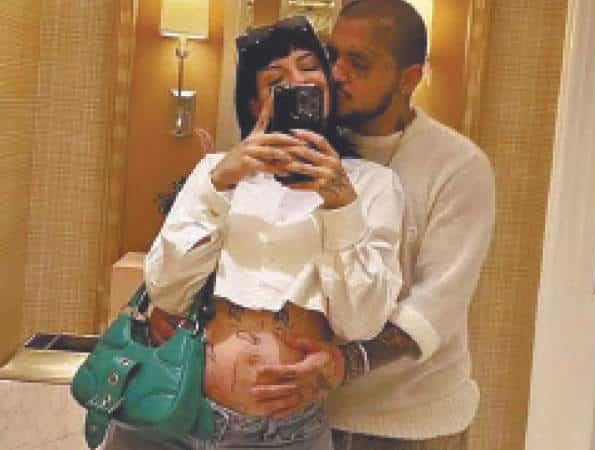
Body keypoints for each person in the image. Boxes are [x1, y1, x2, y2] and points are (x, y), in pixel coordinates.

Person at [102, 16, 405, 450]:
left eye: (309, 67)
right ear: (254, 103)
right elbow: (167, 292)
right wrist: (219, 185)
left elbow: (361, 321)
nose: (298, 82)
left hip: (285, 434)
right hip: (169, 412)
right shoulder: (217, 172)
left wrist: (341, 205)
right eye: (276, 81)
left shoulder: (372, 185)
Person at [250, 1, 496, 449]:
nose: (336, 73)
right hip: (299, 417)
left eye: (358, 63)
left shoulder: (458, 167)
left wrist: (345, 363)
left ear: (409, 78)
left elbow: (435, 305)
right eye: (332, 55)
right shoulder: (306, 144)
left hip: (409, 423)